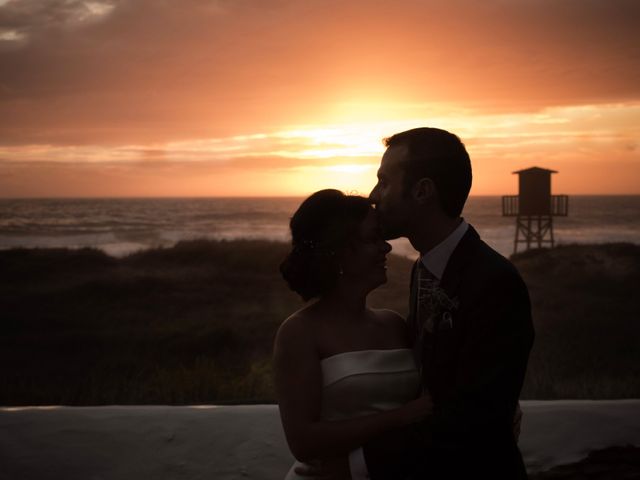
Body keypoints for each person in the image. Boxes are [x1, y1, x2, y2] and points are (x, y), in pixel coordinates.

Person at [349, 127, 535, 479]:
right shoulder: (424, 269)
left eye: (384, 182)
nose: (374, 196)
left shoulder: (494, 281)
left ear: (422, 191)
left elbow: (477, 418)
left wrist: (358, 465)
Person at [273, 189, 434, 480]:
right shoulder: (299, 333)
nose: (386, 248)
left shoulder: (395, 324)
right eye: (373, 238)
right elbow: (303, 441)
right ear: (339, 250)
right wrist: (400, 417)